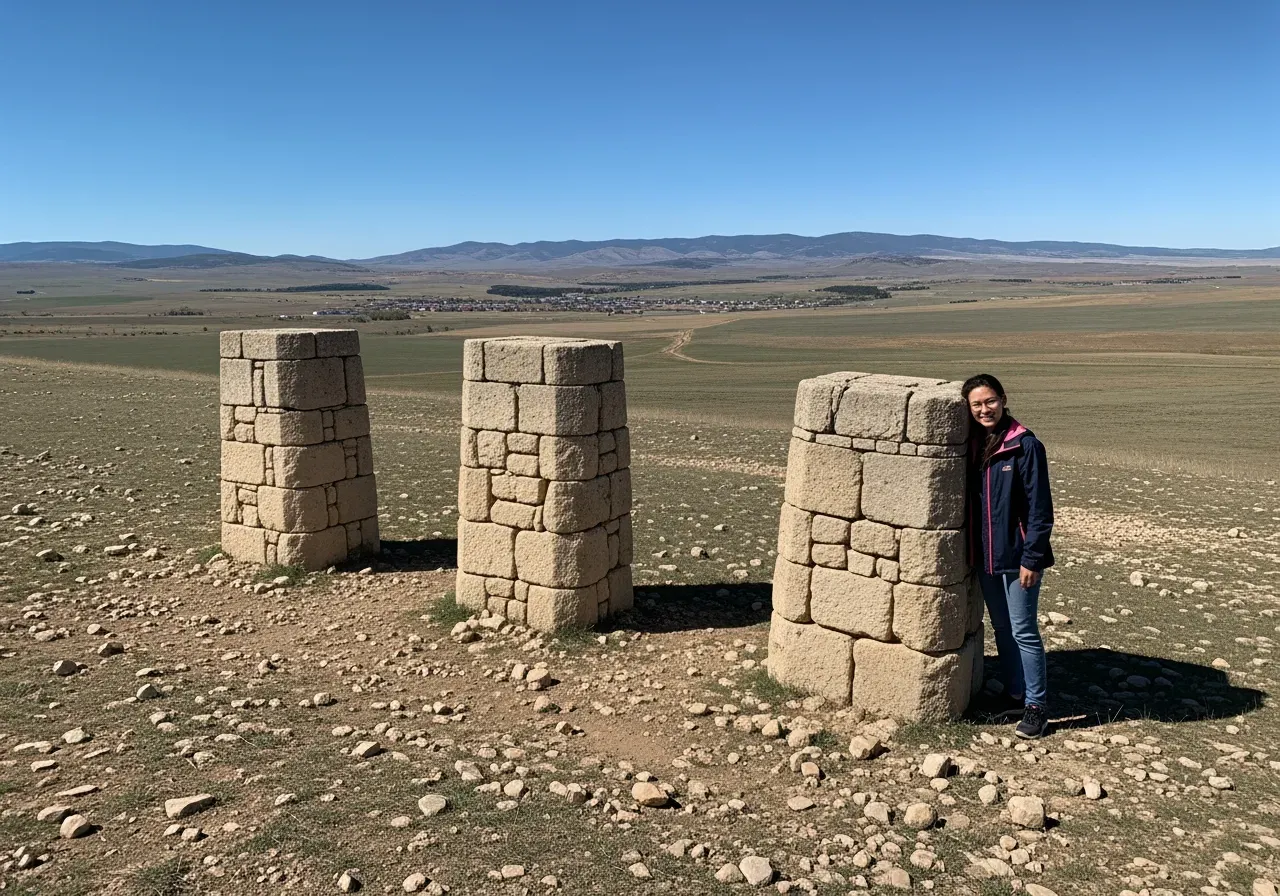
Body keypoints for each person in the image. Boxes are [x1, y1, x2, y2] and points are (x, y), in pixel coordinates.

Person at [962, 373, 1054, 739]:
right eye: (976, 404)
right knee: (1002, 628)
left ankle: (1037, 707)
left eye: (990, 401)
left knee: (1024, 631)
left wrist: (1032, 558)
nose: (984, 409)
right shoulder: (975, 443)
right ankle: (1015, 694)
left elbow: (1040, 510)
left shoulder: (1025, 445)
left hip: (1018, 557)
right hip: (987, 556)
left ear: (1003, 399)